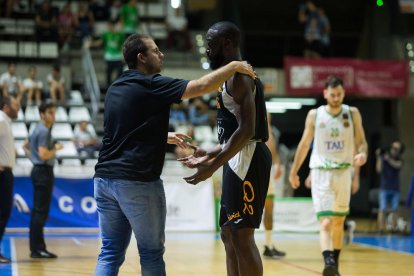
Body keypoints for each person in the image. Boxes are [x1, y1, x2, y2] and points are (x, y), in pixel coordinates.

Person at [93, 33, 255, 275]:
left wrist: (162, 136)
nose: (161, 54)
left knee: (110, 252)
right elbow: (200, 87)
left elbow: (121, 131)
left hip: (103, 180)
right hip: (136, 181)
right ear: (141, 58)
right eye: (155, 50)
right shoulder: (152, 83)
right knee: (151, 254)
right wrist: (233, 66)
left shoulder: (116, 87)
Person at [179, 22, 270, 276]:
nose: (207, 50)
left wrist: (212, 167)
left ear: (227, 44)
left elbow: (247, 130)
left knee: (242, 235)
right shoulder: (229, 75)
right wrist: (210, 152)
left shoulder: (240, 77)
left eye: (211, 44)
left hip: (249, 157)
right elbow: (233, 132)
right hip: (238, 157)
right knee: (229, 233)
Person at [289, 76, 368, 276]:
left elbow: (362, 141)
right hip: (321, 173)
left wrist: (363, 153)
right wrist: (294, 170)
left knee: (339, 222)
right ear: (325, 93)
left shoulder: (352, 113)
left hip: (344, 172)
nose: (335, 98)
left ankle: (334, 266)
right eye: (332, 94)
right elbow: (304, 144)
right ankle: (328, 262)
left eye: (339, 94)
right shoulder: (315, 115)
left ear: (343, 94)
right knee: (325, 222)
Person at [23, 101, 63, 258]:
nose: (53, 116)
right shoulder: (44, 131)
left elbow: (25, 146)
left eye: (54, 112)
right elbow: (43, 155)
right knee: (40, 212)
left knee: (38, 212)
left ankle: (38, 247)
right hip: (43, 171)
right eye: (50, 113)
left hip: (38, 170)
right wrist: (56, 149)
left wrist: (33, 158)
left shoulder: (36, 129)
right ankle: (37, 249)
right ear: (42, 114)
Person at [0, 96, 20, 264]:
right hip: (2, 174)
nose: (18, 107)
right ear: (6, 107)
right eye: (15, 105)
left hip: (6, 173)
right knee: (1, 213)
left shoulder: (6, 121)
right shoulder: (1, 120)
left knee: (3, 213)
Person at [263, 113, 286, 259]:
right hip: (251, 171)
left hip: (266, 171)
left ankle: (268, 244)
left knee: (269, 208)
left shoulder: (268, 130)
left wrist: (277, 163)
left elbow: (271, 147)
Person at [86, 19, 125, 88]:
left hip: (118, 58)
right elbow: (100, 42)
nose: (111, 27)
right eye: (109, 26)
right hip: (109, 58)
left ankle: (118, 88)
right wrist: (91, 44)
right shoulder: (106, 34)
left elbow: (122, 46)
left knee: (120, 75)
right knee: (108, 75)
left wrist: (123, 56)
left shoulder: (120, 35)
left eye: (112, 25)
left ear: (115, 26)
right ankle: (109, 89)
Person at [376, 141, 404, 233]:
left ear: (399, 151)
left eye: (396, 149)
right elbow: (378, 169)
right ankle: (380, 229)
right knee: (382, 209)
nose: (393, 150)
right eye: (392, 147)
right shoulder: (384, 158)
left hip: (395, 189)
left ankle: (394, 229)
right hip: (384, 188)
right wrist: (379, 158)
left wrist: (388, 159)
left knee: (395, 209)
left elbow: (397, 165)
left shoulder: (400, 160)